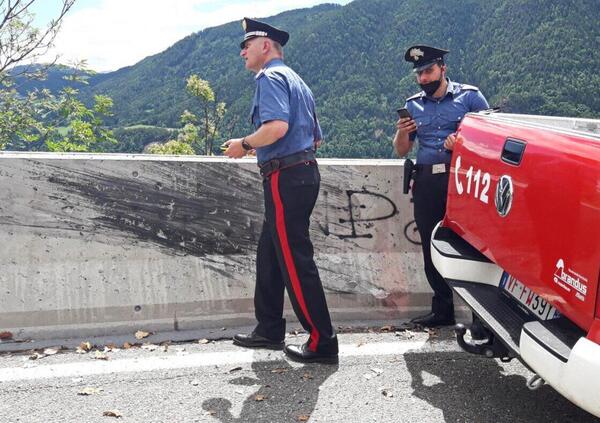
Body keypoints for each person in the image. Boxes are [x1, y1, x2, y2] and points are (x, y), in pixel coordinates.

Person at [223, 17, 338, 364]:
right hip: (300, 172)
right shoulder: (296, 81)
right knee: (270, 254)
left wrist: (244, 143)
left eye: (247, 44)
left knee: (294, 259)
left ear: (266, 46)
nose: (242, 50)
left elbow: (276, 127)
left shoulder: (269, 77)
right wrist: (266, 145)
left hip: (284, 178)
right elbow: (312, 136)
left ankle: (322, 342)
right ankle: (269, 328)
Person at [393, 45, 489, 331]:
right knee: (430, 245)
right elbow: (401, 150)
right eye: (419, 73)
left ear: (442, 69)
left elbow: (489, 140)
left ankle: (481, 317)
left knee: (472, 246)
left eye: (428, 71)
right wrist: (402, 130)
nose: (423, 78)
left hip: (462, 180)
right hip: (425, 182)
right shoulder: (413, 105)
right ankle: (443, 309)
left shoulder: (470, 97)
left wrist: (461, 142)